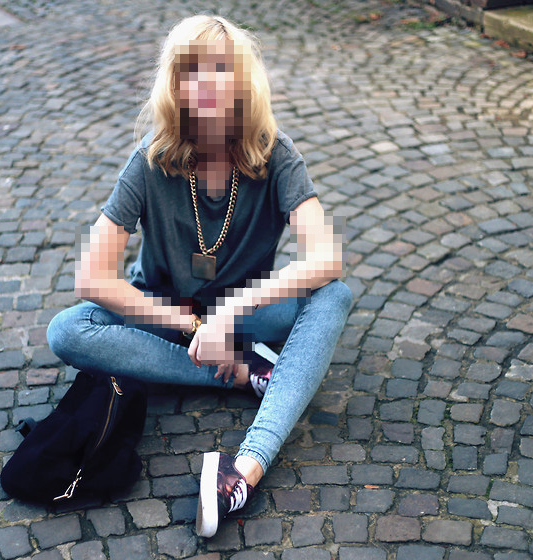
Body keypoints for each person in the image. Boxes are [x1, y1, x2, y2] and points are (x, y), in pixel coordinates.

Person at [47, 14, 352, 538]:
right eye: (191, 70)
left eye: (220, 69)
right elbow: (91, 278)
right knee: (68, 329)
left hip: (246, 312)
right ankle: (244, 373)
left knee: (333, 295)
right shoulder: (150, 160)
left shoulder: (275, 153)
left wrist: (231, 312)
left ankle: (245, 468)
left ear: (243, 82)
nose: (206, 82)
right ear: (175, 85)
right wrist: (191, 325)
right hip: (164, 310)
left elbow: (326, 257)